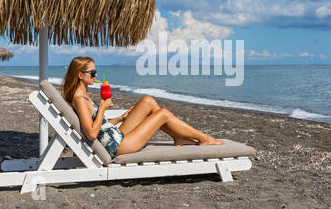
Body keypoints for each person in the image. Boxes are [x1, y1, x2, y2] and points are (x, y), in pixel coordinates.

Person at [62, 56, 224, 157]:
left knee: (148, 101)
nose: (96, 75)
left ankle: (178, 137)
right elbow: (91, 134)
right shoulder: (80, 100)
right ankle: (204, 138)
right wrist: (103, 108)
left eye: (96, 72)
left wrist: (121, 118)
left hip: (114, 136)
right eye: (92, 72)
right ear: (80, 75)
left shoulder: (84, 96)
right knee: (164, 114)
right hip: (118, 147)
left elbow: (100, 129)